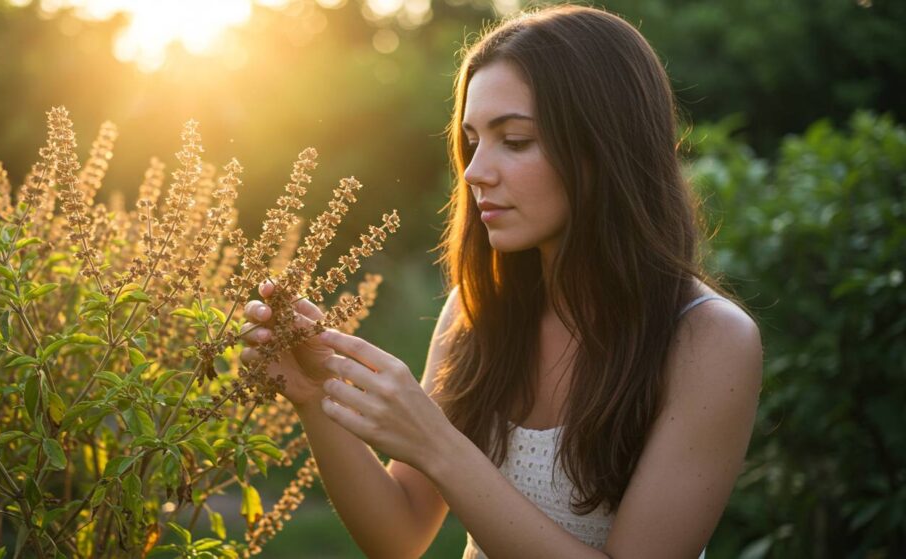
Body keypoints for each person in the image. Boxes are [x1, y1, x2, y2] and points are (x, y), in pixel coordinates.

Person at [239, 4, 762, 558]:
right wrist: (316, 397)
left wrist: (437, 444)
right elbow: (399, 536)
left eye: (514, 141)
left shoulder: (709, 341)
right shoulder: (478, 310)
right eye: (472, 141)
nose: (474, 171)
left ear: (606, 148)